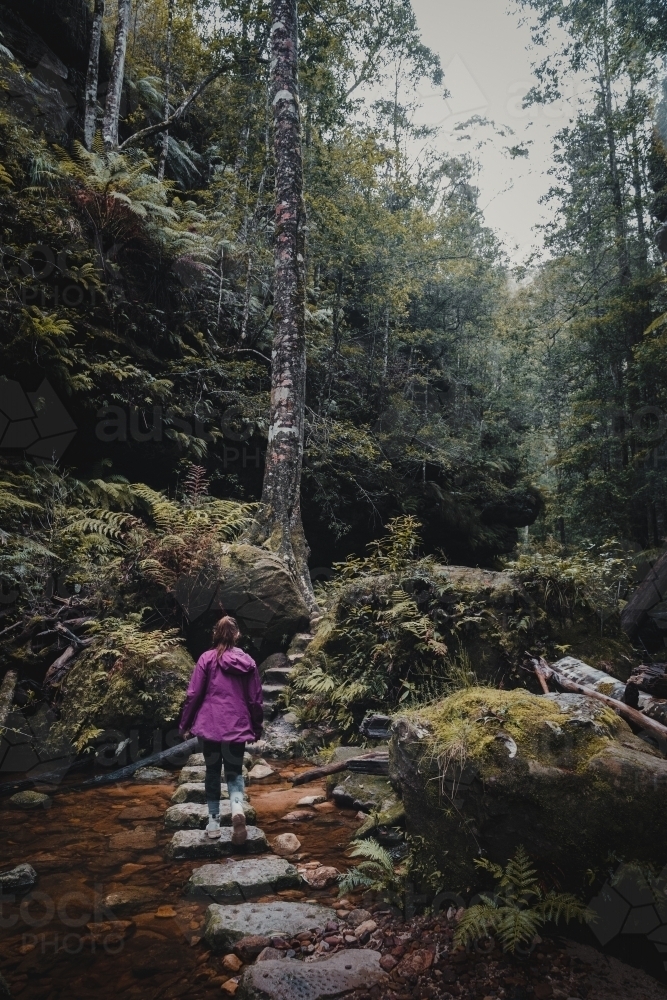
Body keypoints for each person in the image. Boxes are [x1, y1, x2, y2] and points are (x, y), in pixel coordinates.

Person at [179, 616, 263, 843]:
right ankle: (237, 811)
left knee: (213, 772)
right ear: (237, 635)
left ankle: (214, 824)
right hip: (236, 725)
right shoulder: (248, 662)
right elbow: (255, 700)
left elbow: (193, 694)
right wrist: (257, 726)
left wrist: (185, 724)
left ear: (215, 634)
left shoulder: (206, 659)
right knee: (234, 772)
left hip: (210, 726)